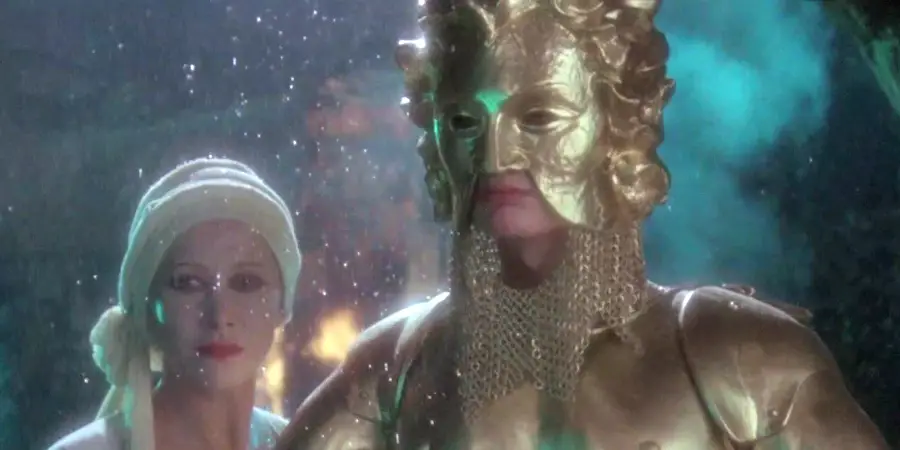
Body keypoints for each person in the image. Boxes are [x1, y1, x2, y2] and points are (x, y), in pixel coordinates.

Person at [274, 0, 888, 448]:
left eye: (539, 117)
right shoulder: (392, 373)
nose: (496, 155)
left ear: (618, 118)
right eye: (464, 121)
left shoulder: (736, 358)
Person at [50, 157, 302, 450]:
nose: (220, 315)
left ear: (282, 304)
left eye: (246, 282)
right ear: (147, 306)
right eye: (188, 283)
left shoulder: (308, 444)